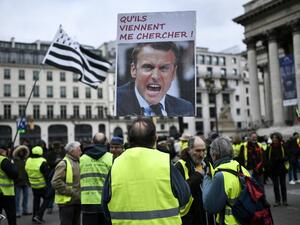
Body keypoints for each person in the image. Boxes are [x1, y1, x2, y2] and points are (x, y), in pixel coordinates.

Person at [102, 117, 191, 225]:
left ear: (129, 140)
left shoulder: (115, 165)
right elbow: (185, 196)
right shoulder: (165, 163)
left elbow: (105, 205)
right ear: (155, 138)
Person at [116, 42, 194, 116]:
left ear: (173, 73)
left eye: (164, 68)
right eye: (148, 67)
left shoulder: (186, 108)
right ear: (133, 70)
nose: (156, 76)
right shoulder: (116, 102)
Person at [203, 137, 250, 225]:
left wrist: (207, 178)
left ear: (214, 154)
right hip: (246, 220)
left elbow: (209, 207)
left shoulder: (220, 176)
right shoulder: (242, 169)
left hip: (229, 222)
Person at [175, 136, 211, 225]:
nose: (202, 154)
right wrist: (197, 176)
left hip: (204, 215)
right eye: (198, 150)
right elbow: (179, 191)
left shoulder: (207, 164)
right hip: (189, 218)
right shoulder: (180, 166)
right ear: (189, 150)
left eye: (204, 150)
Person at [80, 133, 113, 225]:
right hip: (106, 201)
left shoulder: (82, 159)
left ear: (92, 142)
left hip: (87, 201)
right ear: (106, 142)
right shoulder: (111, 158)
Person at [51, 141, 81, 225]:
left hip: (76, 201)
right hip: (67, 203)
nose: (81, 152)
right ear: (72, 151)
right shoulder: (63, 163)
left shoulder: (78, 162)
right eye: (79, 150)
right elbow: (55, 182)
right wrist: (71, 192)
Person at [25, 145, 50, 224]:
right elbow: (47, 175)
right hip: (42, 185)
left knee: (36, 201)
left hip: (33, 185)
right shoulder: (42, 161)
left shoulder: (28, 160)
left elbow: (26, 172)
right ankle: (39, 215)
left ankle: (34, 217)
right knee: (47, 199)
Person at [265, 132, 289, 206]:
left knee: (283, 185)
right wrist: (270, 163)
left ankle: (284, 200)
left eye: (276, 138)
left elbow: (288, 156)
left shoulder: (283, 146)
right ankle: (277, 201)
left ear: (279, 139)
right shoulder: (269, 148)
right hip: (273, 169)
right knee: (275, 186)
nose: (274, 139)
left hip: (282, 169)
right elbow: (266, 158)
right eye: (273, 138)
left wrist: (282, 159)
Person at [0, 145, 18, 225]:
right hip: (6, 193)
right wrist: (12, 164)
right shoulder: (4, 161)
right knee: (11, 216)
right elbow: (14, 174)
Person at [12, 145, 31, 218]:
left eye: (23, 151)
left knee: (25, 197)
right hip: (17, 182)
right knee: (17, 198)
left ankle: (25, 210)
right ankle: (17, 211)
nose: (21, 152)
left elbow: (27, 171)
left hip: (25, 181)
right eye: (20, 151)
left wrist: (28, 181)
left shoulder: (25, 160)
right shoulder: (14, 160)